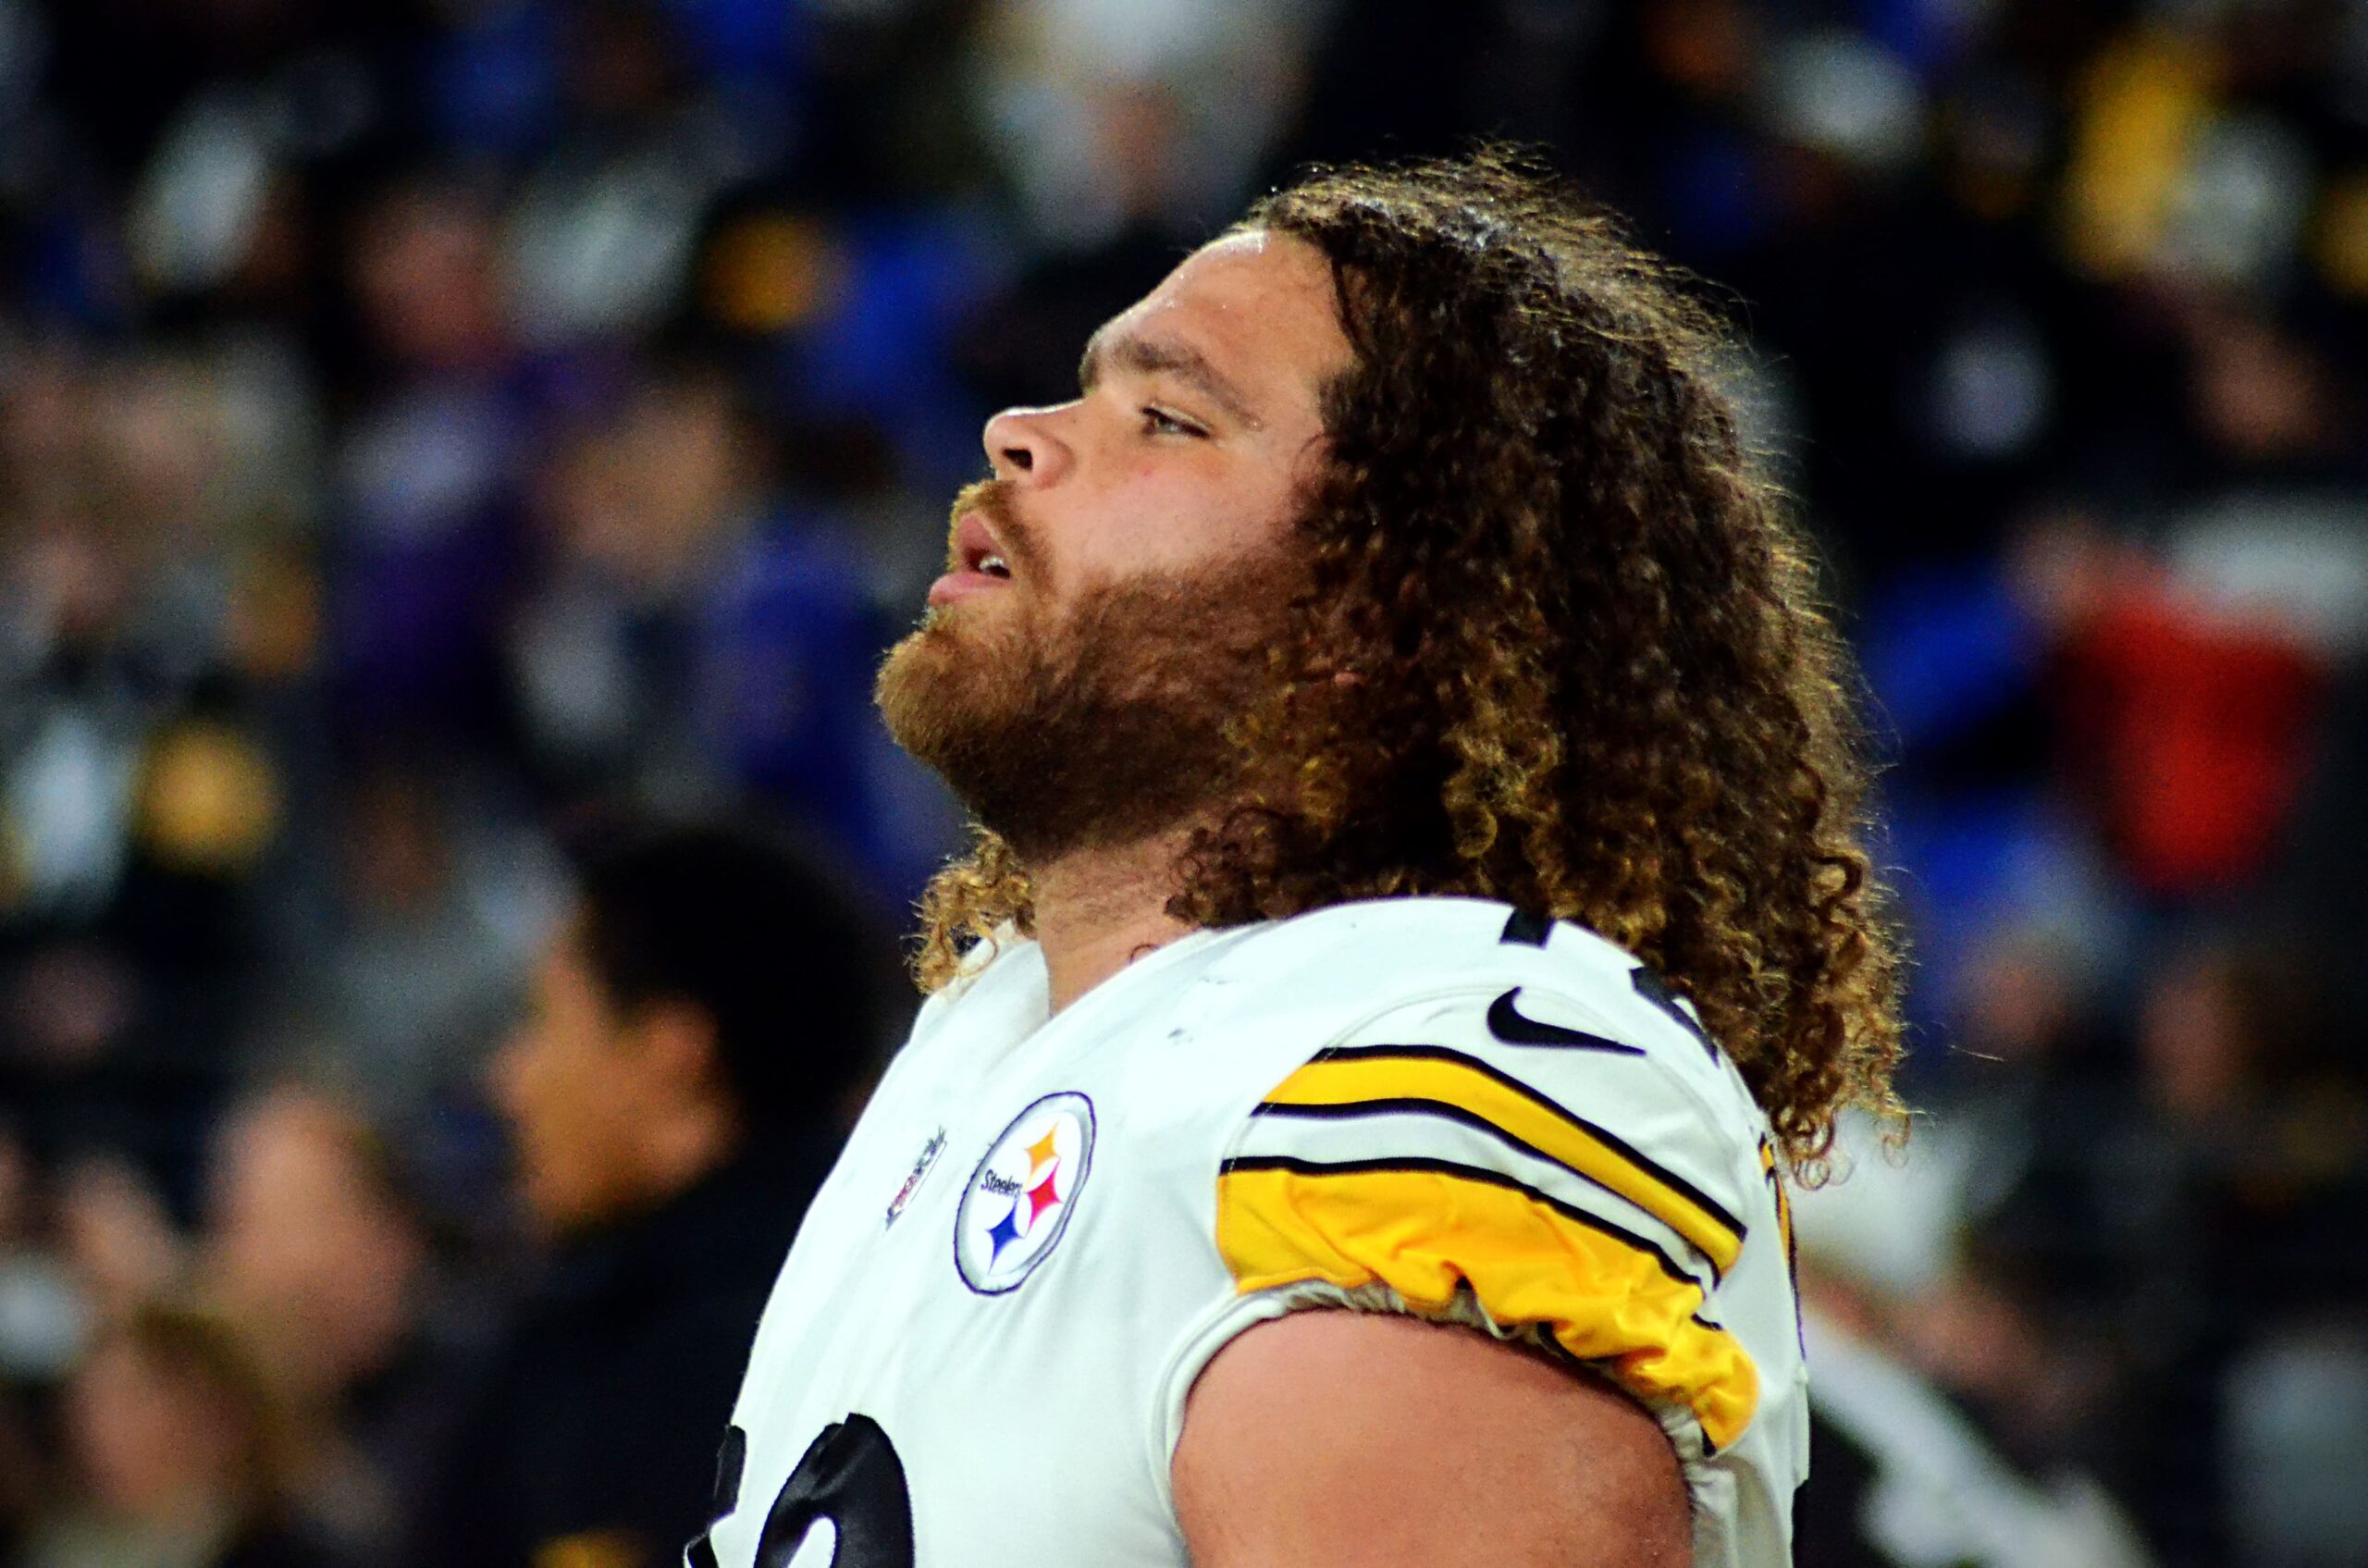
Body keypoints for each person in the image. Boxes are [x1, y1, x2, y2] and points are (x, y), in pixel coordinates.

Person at [697, 150, 1905, 1568]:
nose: (1018, 432)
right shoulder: (987, 1032)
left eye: (1166, 415)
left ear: (1389, 613)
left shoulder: (1464, 1059)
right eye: (1080, 386)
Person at [413, 818, 900, 1568]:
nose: (509, 1081)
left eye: (544, 1020)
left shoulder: (641, 1369)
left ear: (673, 1054)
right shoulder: (906, 1292)